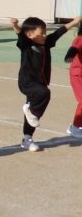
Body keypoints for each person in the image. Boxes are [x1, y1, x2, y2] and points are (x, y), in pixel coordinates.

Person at [9, 16, 82, 152]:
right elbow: (20, 35)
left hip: (40, 82)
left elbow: (59, 33)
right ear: (30, 35)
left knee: (34, 115)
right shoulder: (26, 44)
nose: (44, 35)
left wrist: (74, 22)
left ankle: (27, 139)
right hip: (27, 82)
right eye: (41, 33)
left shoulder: (46, 43)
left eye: (45, 32)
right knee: (43, 94)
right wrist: (15, 26)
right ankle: (30, 111)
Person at [64, 23, 82, 139]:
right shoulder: (80, 39)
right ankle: (75, 127)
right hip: (78, 75)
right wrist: (69, 56)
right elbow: (74, 48)